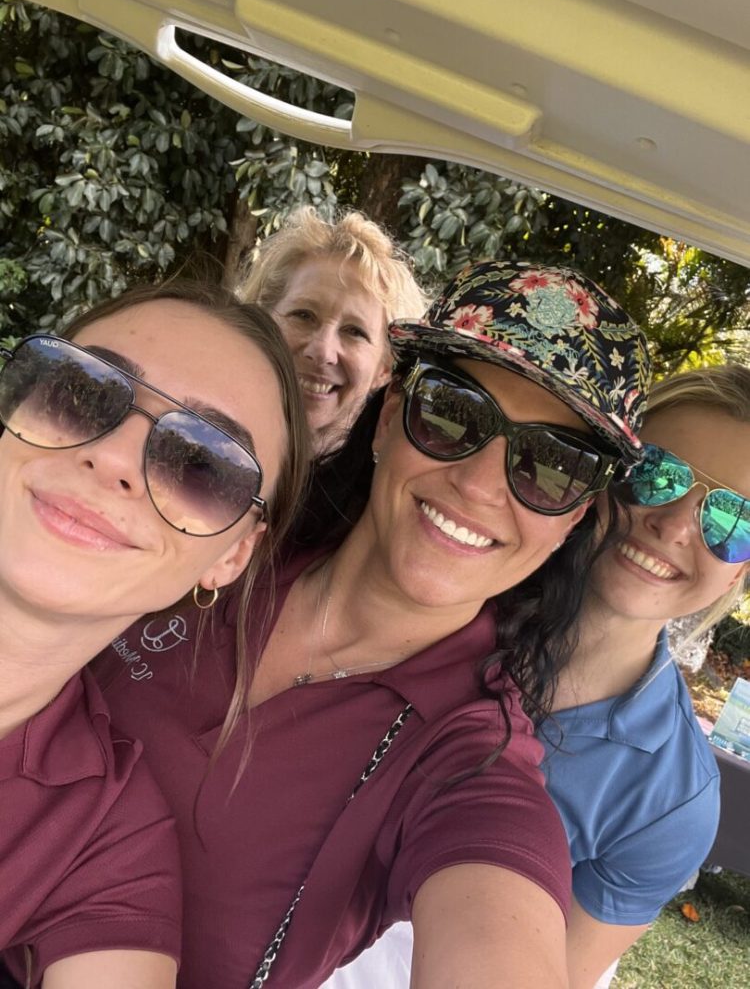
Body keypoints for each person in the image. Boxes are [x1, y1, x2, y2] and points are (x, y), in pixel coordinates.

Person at [95, 261, 651, 989]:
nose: (479, 484)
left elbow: (496, 900)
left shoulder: (469, 758)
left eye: (552, 464)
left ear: (573, 517)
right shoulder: (221, 527)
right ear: (390, 418)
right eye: (453, 412)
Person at [325, 363, 749, 989]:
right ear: (599, 471)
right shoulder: (435, 588)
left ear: (742, 574)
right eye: (657, 476)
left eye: (731, 521)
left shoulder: (673, 799)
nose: (675, 524)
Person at [0, 281, 309, 989]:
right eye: (82, 391)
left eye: (203, 466)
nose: (111, 459)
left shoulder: (108, 842)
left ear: (232, 556)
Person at [238, 205, 428, 454]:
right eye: (303, 315)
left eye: (354, 332)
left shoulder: (382, 489)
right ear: (263, 320)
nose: (322, 351)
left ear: (385, 369)